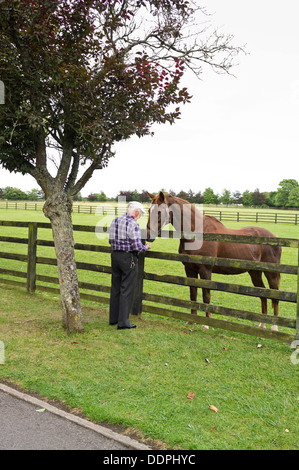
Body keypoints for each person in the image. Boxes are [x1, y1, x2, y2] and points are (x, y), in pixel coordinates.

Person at [108, 201, 150, 329]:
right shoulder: (133, 224)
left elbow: (110, 240)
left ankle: (113, 318)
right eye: (140, 214)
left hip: (115, 256)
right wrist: (145, 247)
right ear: (136, 212)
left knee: (115, 287)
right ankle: (123, 322)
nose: (139, 217)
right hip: (128, 258)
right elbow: (136, 246)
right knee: (126, 289)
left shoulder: (115, 221)